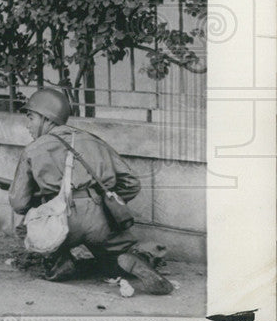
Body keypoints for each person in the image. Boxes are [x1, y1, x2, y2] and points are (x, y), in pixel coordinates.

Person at [9, 87, 173, 295]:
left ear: (45, 118)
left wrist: (42, 202)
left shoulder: (33, 150)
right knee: (116, 252)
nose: (27, 125)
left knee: (27, 229)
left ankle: (59, 262)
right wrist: (106, 202)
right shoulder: (94, 141)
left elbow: (18, 204)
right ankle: (132, 261)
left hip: (61, 223)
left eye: (30, 118)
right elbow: (132, 183)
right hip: (100, 219)